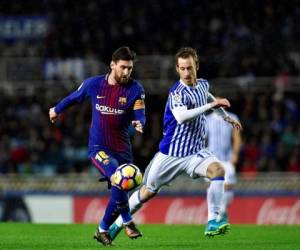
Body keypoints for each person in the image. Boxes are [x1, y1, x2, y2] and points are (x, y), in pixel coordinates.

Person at [108, 47, 242, 240]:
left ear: (197, 66)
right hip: (170, 154)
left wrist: (224, 116)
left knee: (218, 171)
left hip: (195, 153)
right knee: (146, 193)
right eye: (182, 68)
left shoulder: (203, 84)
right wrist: (212, 106)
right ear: (177, 69)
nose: (186, 72)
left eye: (189, 68)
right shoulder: (177, 92)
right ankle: (117, 225)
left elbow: (208, 96)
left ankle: (213, 220)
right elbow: (181, 117)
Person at [48, 47, 146, 246]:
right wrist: (56, 109)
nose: (127, 72)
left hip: (123, 151)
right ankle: (128, 222)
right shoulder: (94, 84)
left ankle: (102, 230)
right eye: (123, 67)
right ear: (112, 64)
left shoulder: (136, 89)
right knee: (118, 177)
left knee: (120, 192)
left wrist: (139, 123)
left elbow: (140, 113)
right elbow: (74, 97)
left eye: (130, 68)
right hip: (98, 148)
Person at [206, 110, 242, 222]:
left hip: (227, 158)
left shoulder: (232, 117)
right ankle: (215, 215)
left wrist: (235, 153)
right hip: (211, 159)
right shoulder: (207, 119)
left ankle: (222, 212)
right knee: (213, 187)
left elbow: (237, 136)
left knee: (227, 186)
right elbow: (202, 138)